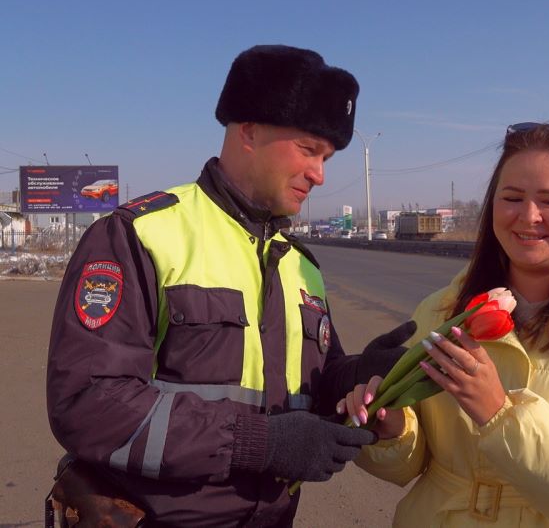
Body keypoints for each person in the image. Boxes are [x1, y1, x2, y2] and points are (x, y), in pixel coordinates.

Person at [46, 44, 416, 527]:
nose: (320, 175)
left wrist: (361, 374)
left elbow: (310, 389)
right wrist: (257, 443)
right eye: (308, 150)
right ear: (249, 130)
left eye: (327, 157)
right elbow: (88, 403)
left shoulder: (300, 265)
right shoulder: (139, 237)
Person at [341, 123, 549, 527]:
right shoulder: (441, 311)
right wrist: (393, 430)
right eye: (512, 198)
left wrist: (502, 414)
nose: (528, 216)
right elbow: (406, 468)